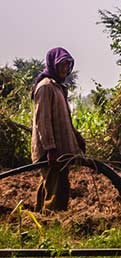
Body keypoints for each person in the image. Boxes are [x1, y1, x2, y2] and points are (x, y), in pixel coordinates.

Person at [31, 47, 85, 212]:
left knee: (50, 184)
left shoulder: (58, 87)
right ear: (53, 64)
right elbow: (43, 121)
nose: (65, 68)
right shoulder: (46, 87)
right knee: (57, 189)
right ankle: (52, 223)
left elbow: (64, 120)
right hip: (52, 151)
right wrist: (50, 149)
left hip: (59, 150)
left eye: (68, 65)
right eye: (62, 64)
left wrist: (77, 138)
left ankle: (39, 217)